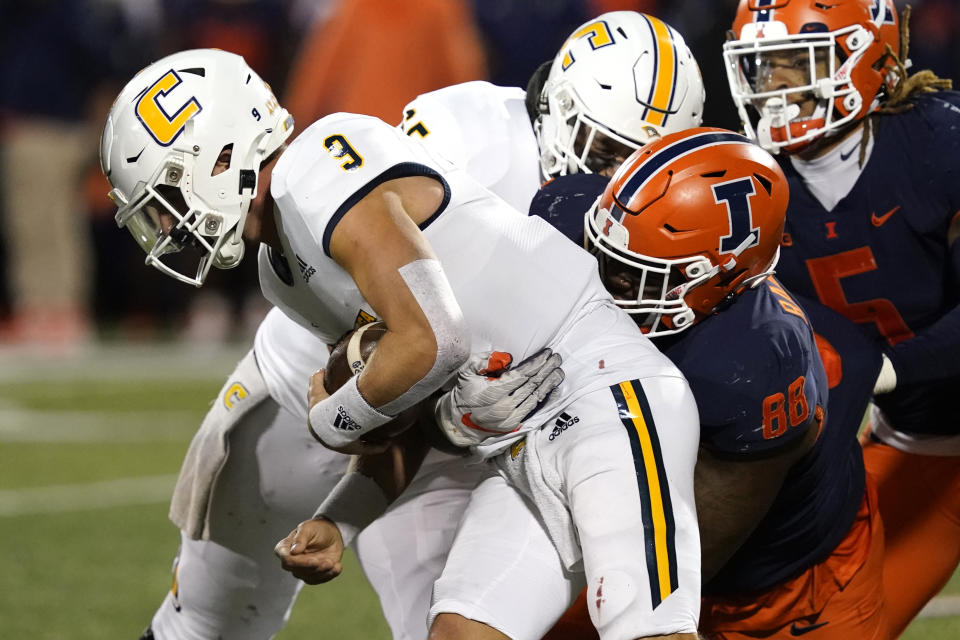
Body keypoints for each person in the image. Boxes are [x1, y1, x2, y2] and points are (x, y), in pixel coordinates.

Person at [118, 12, 706, 640]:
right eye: (609, 152)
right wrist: (344, 497)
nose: (618, 180)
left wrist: (369, 405)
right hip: (373, 407)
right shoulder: (464, 138)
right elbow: (416, 349)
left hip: (550, 413)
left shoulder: (321, 169)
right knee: (209, 620)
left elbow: (430, 345)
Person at [723, 0, 960, 635]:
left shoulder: (941, 145)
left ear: (869, 56)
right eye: (763, 68)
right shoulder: (752, 183)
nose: (775, 89)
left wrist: (884, 369)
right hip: (926, 441)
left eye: (797, 65)